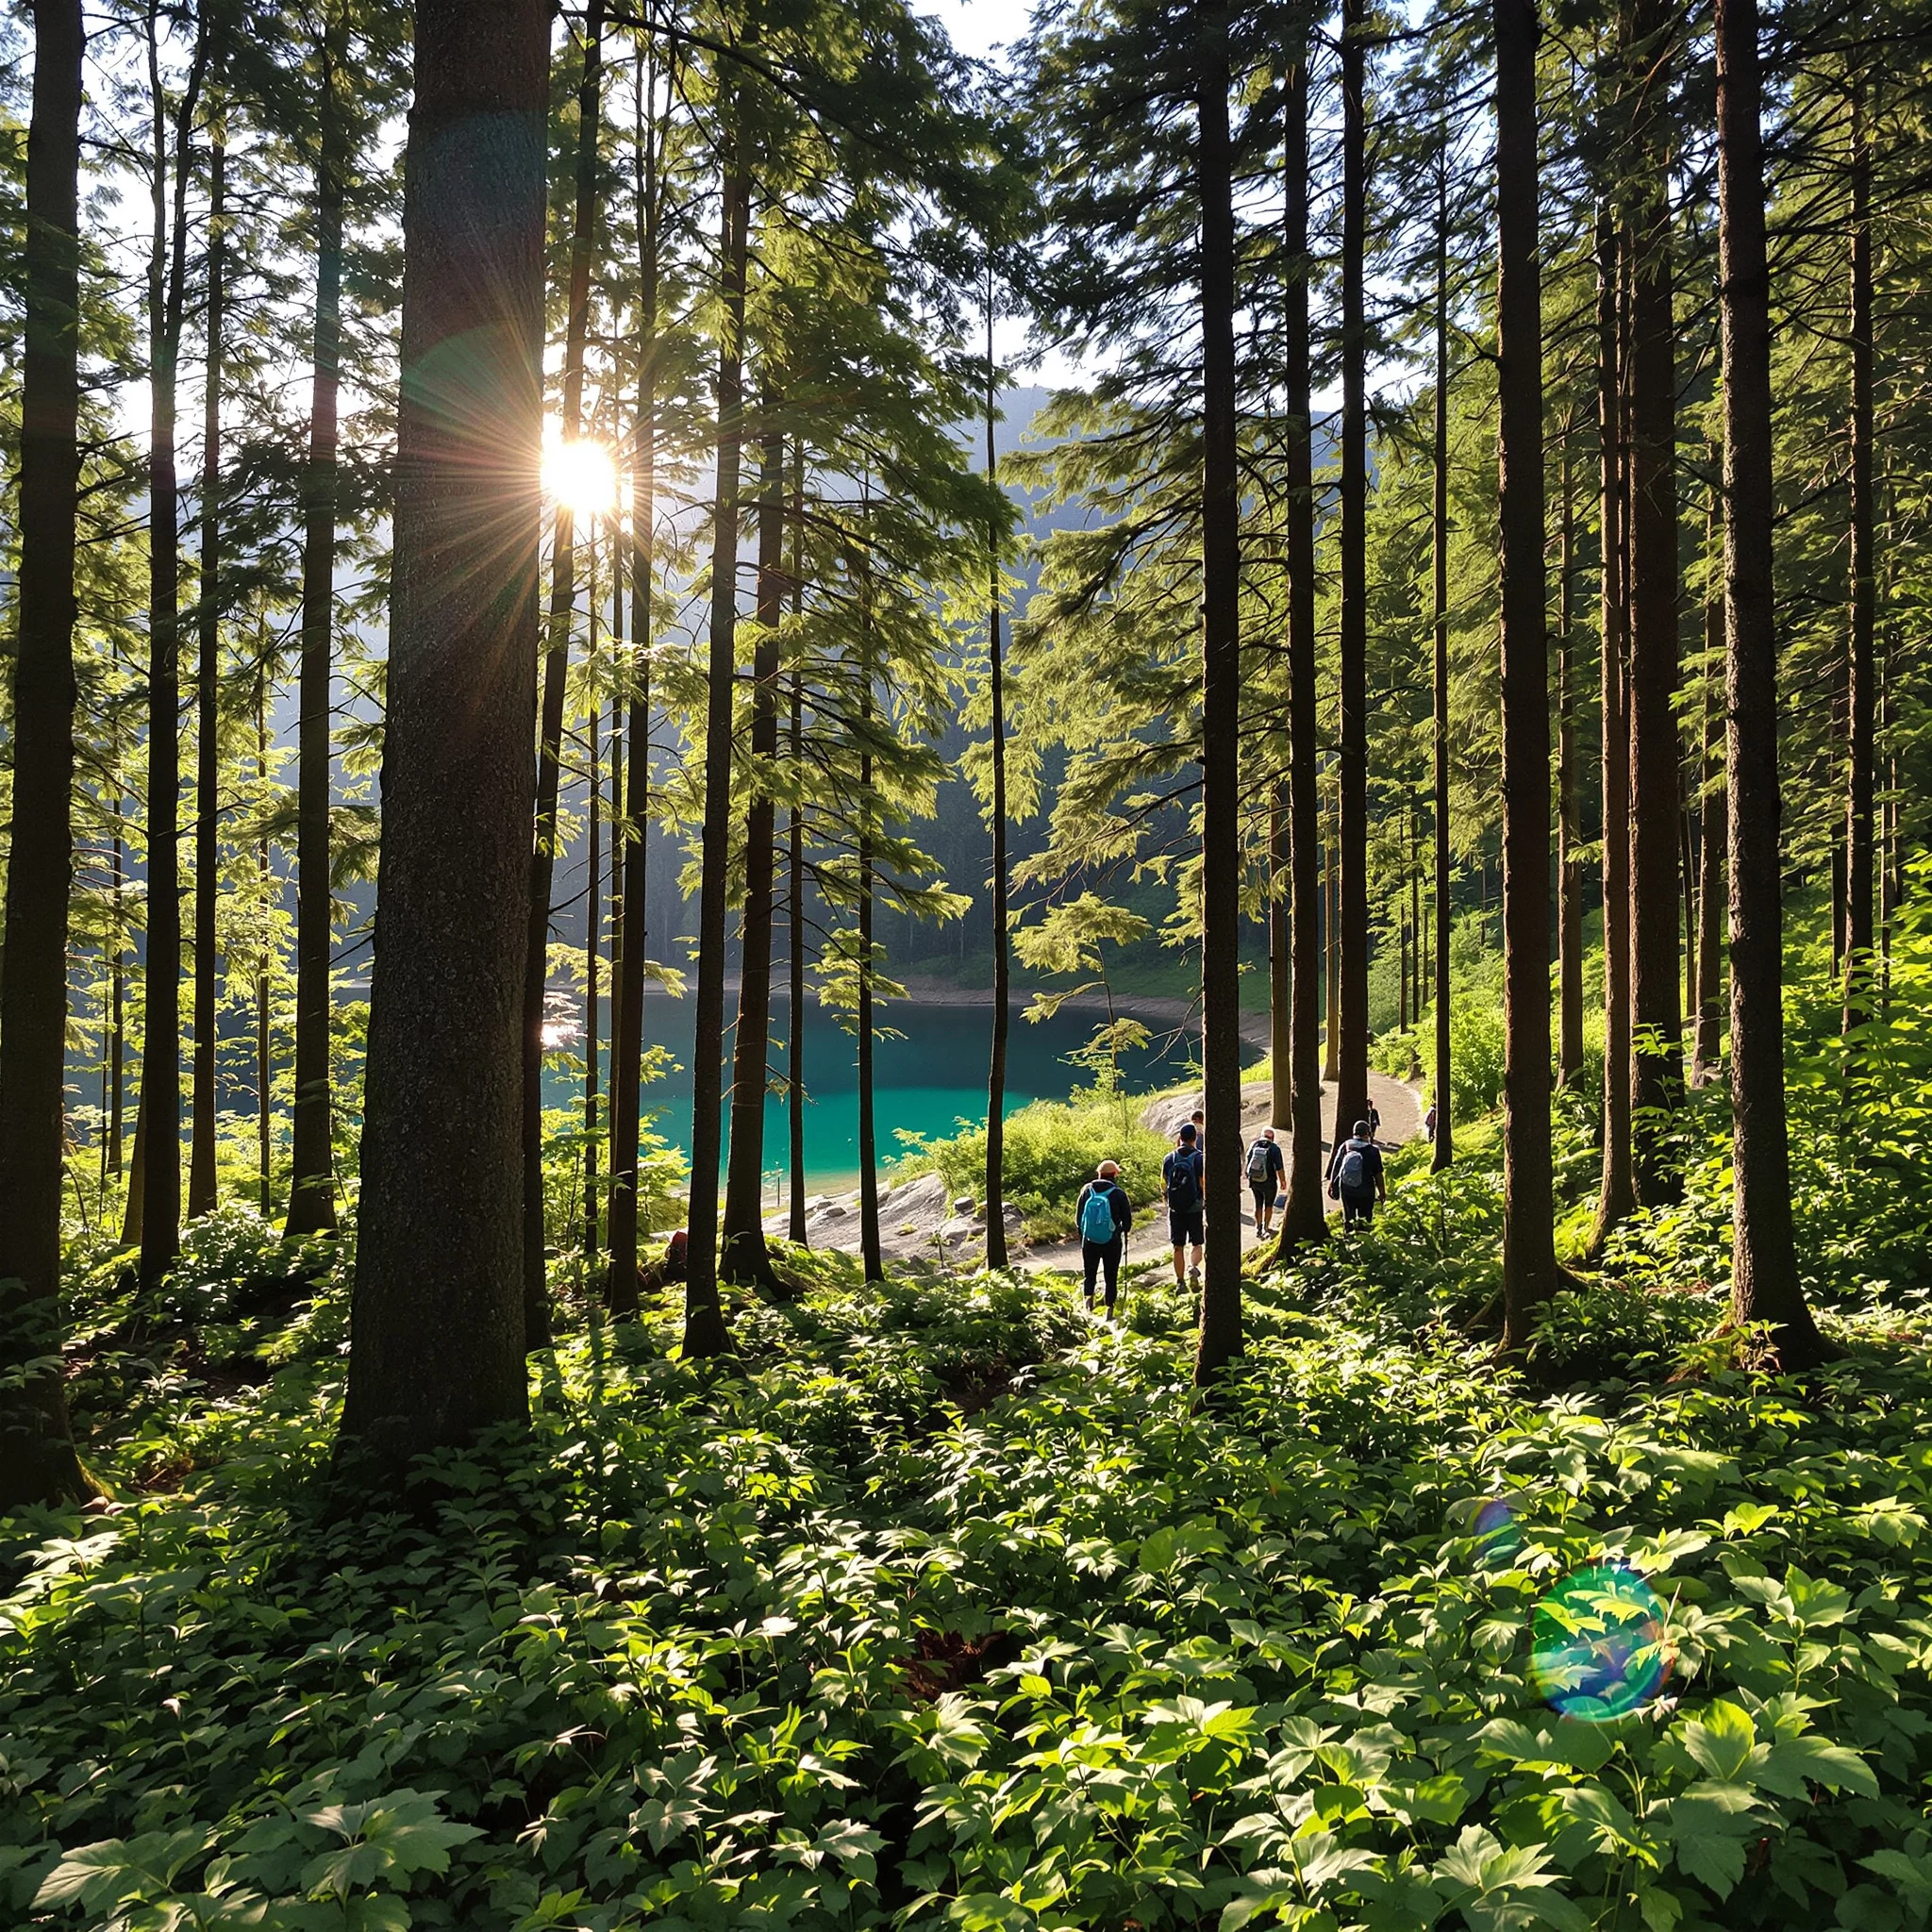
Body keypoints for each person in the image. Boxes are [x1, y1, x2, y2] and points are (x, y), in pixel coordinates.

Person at [1074, 1160, 1131, 1317]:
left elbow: (1078, 1219)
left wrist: (1086, 1233)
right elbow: (1127, 1224)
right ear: (1114, 1174)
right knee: (1111, 1276)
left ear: (1099, 1173)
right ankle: (1109, 1311)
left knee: (1089, 1273)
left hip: (1090, 1240)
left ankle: (1088, 1307)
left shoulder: (1087, 1190)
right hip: (1111, 1241)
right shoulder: (1119, 1194)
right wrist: (1117, 1230)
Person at [1164, 1123, 1206, 1290]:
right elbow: (1203, 1182)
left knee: (1178, 1247)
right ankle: (1193, 1268)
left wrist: (1168, 1200)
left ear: (1180, 1138)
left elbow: (1163, 1183)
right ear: (1195, 1138)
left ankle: (1180, 1282)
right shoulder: (1199, 1157)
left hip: (1175, 1209)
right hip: (1194, 1207)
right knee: (1197, 1243)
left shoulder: (1169, 1158)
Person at [1326, 1120, 1386, 1229]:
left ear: (1354, 1133)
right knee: (1365, 1218)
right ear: (1368, 1133)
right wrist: (1382, 1192)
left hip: (1347, 1188)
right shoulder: (1373, 1151)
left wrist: (1332, 1185)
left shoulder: (1346, 1146)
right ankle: (1364, 1239)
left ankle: (1349, 1238)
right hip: (1366, 1189)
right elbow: (1378, 1174)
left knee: (1349, 1217)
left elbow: (1337, 1167)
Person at [1245, 1127, 1286, 1236]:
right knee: (1268, 1205)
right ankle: (1266, 1227)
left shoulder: (1254, 1145)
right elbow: (1279, 1167)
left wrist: (1248, 1176)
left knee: (1258, 1204)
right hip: (1269, 1182)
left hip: (1254, 1181)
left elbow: (1248, 1161)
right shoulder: (1274, 1148)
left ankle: (1258, 1227)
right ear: (1272, 1138)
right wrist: (1283, 1181)